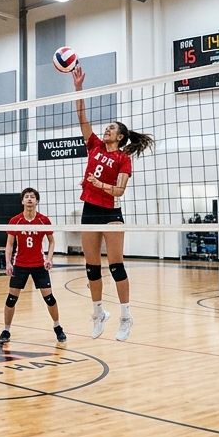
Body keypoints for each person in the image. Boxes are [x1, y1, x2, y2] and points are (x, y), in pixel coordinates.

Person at [72, 64, 153, 341]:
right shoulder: (93, 145)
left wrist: (100, 184)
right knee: (91, 267)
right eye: (106, 127)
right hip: (89, 210)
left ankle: (126, 316)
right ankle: (98, 313)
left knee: (115, 265)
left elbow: (119, 192)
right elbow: (81, 116)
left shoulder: (123, 158)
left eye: (112, 128)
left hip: (111, 213)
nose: (106, 129)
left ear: (120, 136)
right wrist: (79, 88)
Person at [0, 187, 65, 345]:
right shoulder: (15, 221)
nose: (29, 199)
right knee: (11, 299)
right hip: (20, 265)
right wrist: (8, 263)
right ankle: (6, 330)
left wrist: (49, 258)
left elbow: (52, 241)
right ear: (22, 201)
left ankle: (58, 327)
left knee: (49, 298)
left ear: (37, 201)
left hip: (39, 265)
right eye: (26, 197)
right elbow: (9, 244)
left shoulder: (43, 220)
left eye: (32, 197)